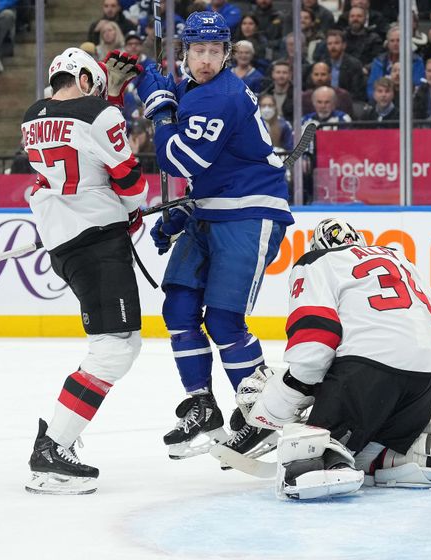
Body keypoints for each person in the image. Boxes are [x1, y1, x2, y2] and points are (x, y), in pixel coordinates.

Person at [231, 218, 431, 500]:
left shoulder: (315, 262)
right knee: (372, 454)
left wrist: (287, 396)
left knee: (310, 450)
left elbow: (316, 335)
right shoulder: (397, 258)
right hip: (426, 381)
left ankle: (325, 463)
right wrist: (418, 377)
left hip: (365, 373)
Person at [135, 12, 293, 460]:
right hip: (210, 211)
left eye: (214, 52)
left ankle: (263, 415)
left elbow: (178, 162)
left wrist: (159, 109)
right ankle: (202, 405)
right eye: (198, 51)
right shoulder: (193, 90)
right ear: (185, 52)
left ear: (227, 54)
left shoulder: (221, 96)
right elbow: (207, 174)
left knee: (224, 321)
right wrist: (184, 209)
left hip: (249, 214)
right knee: (179, 306)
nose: (206, 60)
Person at [23, 47, 148, 494]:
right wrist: (136, 211)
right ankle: (53, 449)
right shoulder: (99, 113)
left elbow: (78, 147)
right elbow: (128, 177)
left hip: (66, 242)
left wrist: (110, 96)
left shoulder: (32, 115)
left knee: (121, 344)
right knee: (114, 348)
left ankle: (59, 441)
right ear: (83, 77)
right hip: (97, 241)